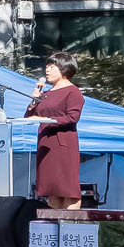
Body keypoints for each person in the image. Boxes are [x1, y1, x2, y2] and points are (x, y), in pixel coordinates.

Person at [26, 52, 86, 210]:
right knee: (52, 189)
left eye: (52, 67)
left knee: (68, 189)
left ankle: (69, 228)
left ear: (64, 69)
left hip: (63, 144)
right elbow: (29, 117)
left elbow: (72, 118)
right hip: (46, 144)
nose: (47, 70)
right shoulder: (45, 94)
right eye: (46, 66)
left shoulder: (72, 92)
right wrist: (33, 102)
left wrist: (48, 121)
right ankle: (53, 229)